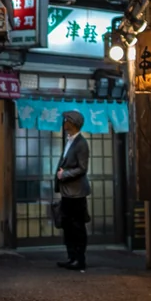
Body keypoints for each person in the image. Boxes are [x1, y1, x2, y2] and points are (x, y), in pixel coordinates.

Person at [55, 109, 90, 272]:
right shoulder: (70, 140)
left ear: (73, 124)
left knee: (77, 226)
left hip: (76, 193)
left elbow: (82, 168)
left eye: (66, 120)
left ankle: (79, 260)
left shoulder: (81, 143)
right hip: (68, 192)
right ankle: (71, 258)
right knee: (68, 226)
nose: (63, 123)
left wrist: (64, 174)